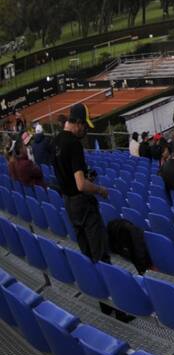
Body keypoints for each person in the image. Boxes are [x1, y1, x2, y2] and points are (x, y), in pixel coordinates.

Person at [53, 104, 110, 262]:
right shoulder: (74, 144)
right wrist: (100, 189)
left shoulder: (56, 140)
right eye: (84, 125)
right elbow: (80, 184)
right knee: (100, 253)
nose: (86, 130)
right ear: (77, 122)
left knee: (86, 251)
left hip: (68, 202)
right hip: (82, 203)